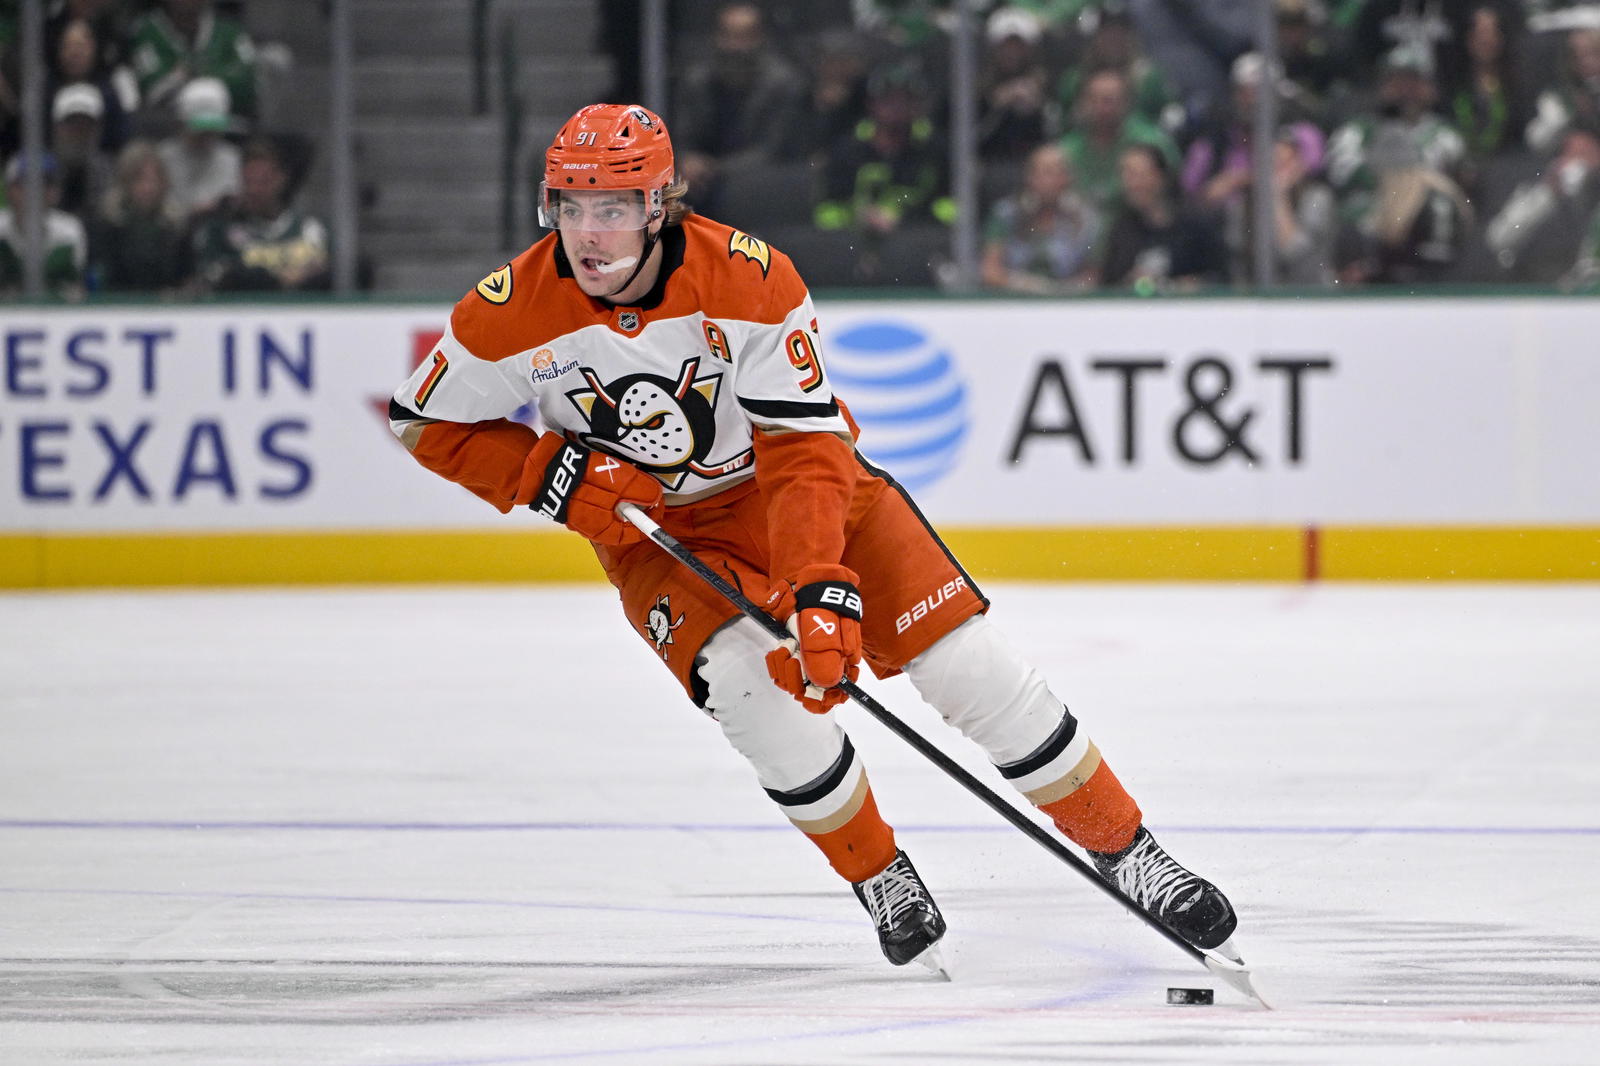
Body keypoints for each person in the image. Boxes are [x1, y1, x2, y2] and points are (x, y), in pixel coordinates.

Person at [386, 102, 1240, 971]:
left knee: (968, 666)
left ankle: (1132, 854)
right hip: (662, 538)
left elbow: (803, 452)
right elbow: (423, 420)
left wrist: (816, 587)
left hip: (808, 495)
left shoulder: (749, 280)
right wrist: (548, 476)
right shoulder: (510, 309)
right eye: (569, 207)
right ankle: (880, 874)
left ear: (659, 206)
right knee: (753, 697)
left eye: (610, 208)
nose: (587, 235)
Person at [191, 135, 328, 292]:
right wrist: (276, 279)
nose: (254, 190)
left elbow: (331, 272)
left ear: (282, 179)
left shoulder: (312, 229)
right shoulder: (220, 232)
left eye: (263, 181)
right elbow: (215, 277)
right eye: (248, 182)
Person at [1098, 142, 1227, 291]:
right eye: (1125, 175)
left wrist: (1191, 285)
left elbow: (1222, 278)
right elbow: (1108, 285)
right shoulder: (1122, 230)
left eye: (1137, 175)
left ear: (1161, 176)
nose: (1131, 184)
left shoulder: (1197, 226)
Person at [981, 141, 1102, 293]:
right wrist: (1025, 285)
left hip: (1068, 302)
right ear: (1030, 177)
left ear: (1068, 178)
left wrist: (1064, 291)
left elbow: (1093, 276)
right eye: (1044, 172)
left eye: (1057, 173)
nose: (1050, 181)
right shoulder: (1006, 214)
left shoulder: (1086, 219)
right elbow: (990, 272)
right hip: (1014, 300)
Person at [91, 137, 192, 292]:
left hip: (168, 309)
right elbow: (102, 274)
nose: (148, 188)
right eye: (140, 180)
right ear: (125, 182)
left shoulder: (176, 226)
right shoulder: (108, 225)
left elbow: (185, 276)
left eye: (154, 180)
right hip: (117, 308)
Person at [0, 151, 88, 297]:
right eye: (25, 184)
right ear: (10, 190)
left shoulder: (69, 230)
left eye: (45, 185)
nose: (35, 192)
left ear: (55, 192)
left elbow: (75, 289)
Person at [156, 76, 239, 218]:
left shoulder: (232, 158)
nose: (206, 137)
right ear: (182, 125)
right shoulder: (162, 157)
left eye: (211, 131)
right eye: (201, 132)